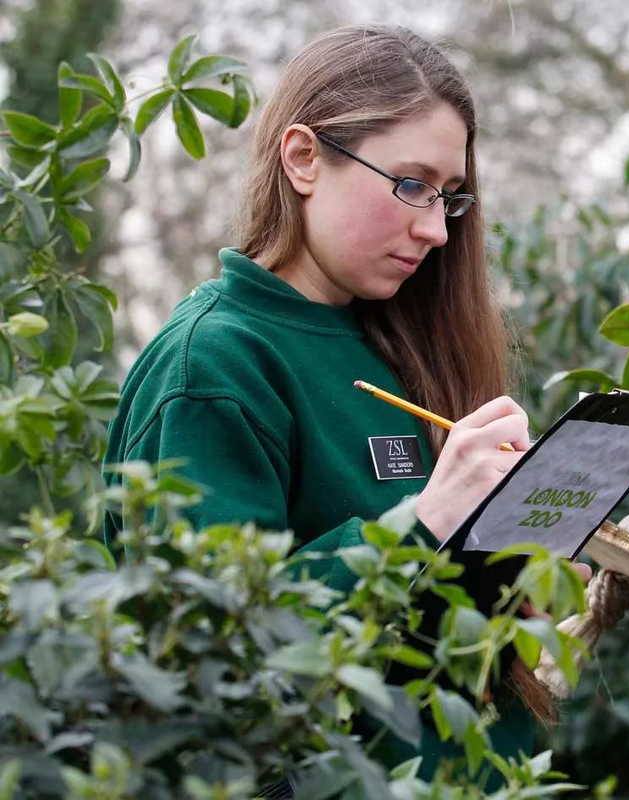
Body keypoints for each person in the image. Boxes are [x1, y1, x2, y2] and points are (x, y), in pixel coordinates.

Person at [102, 22, 586, 787]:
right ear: (303, 159)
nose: (433, 229)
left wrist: (524, 566)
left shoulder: (403, 335)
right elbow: (207, 669)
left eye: (450, 197)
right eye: (411, 185)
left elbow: (430, 635)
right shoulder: (213, 368)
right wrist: (423, 523)